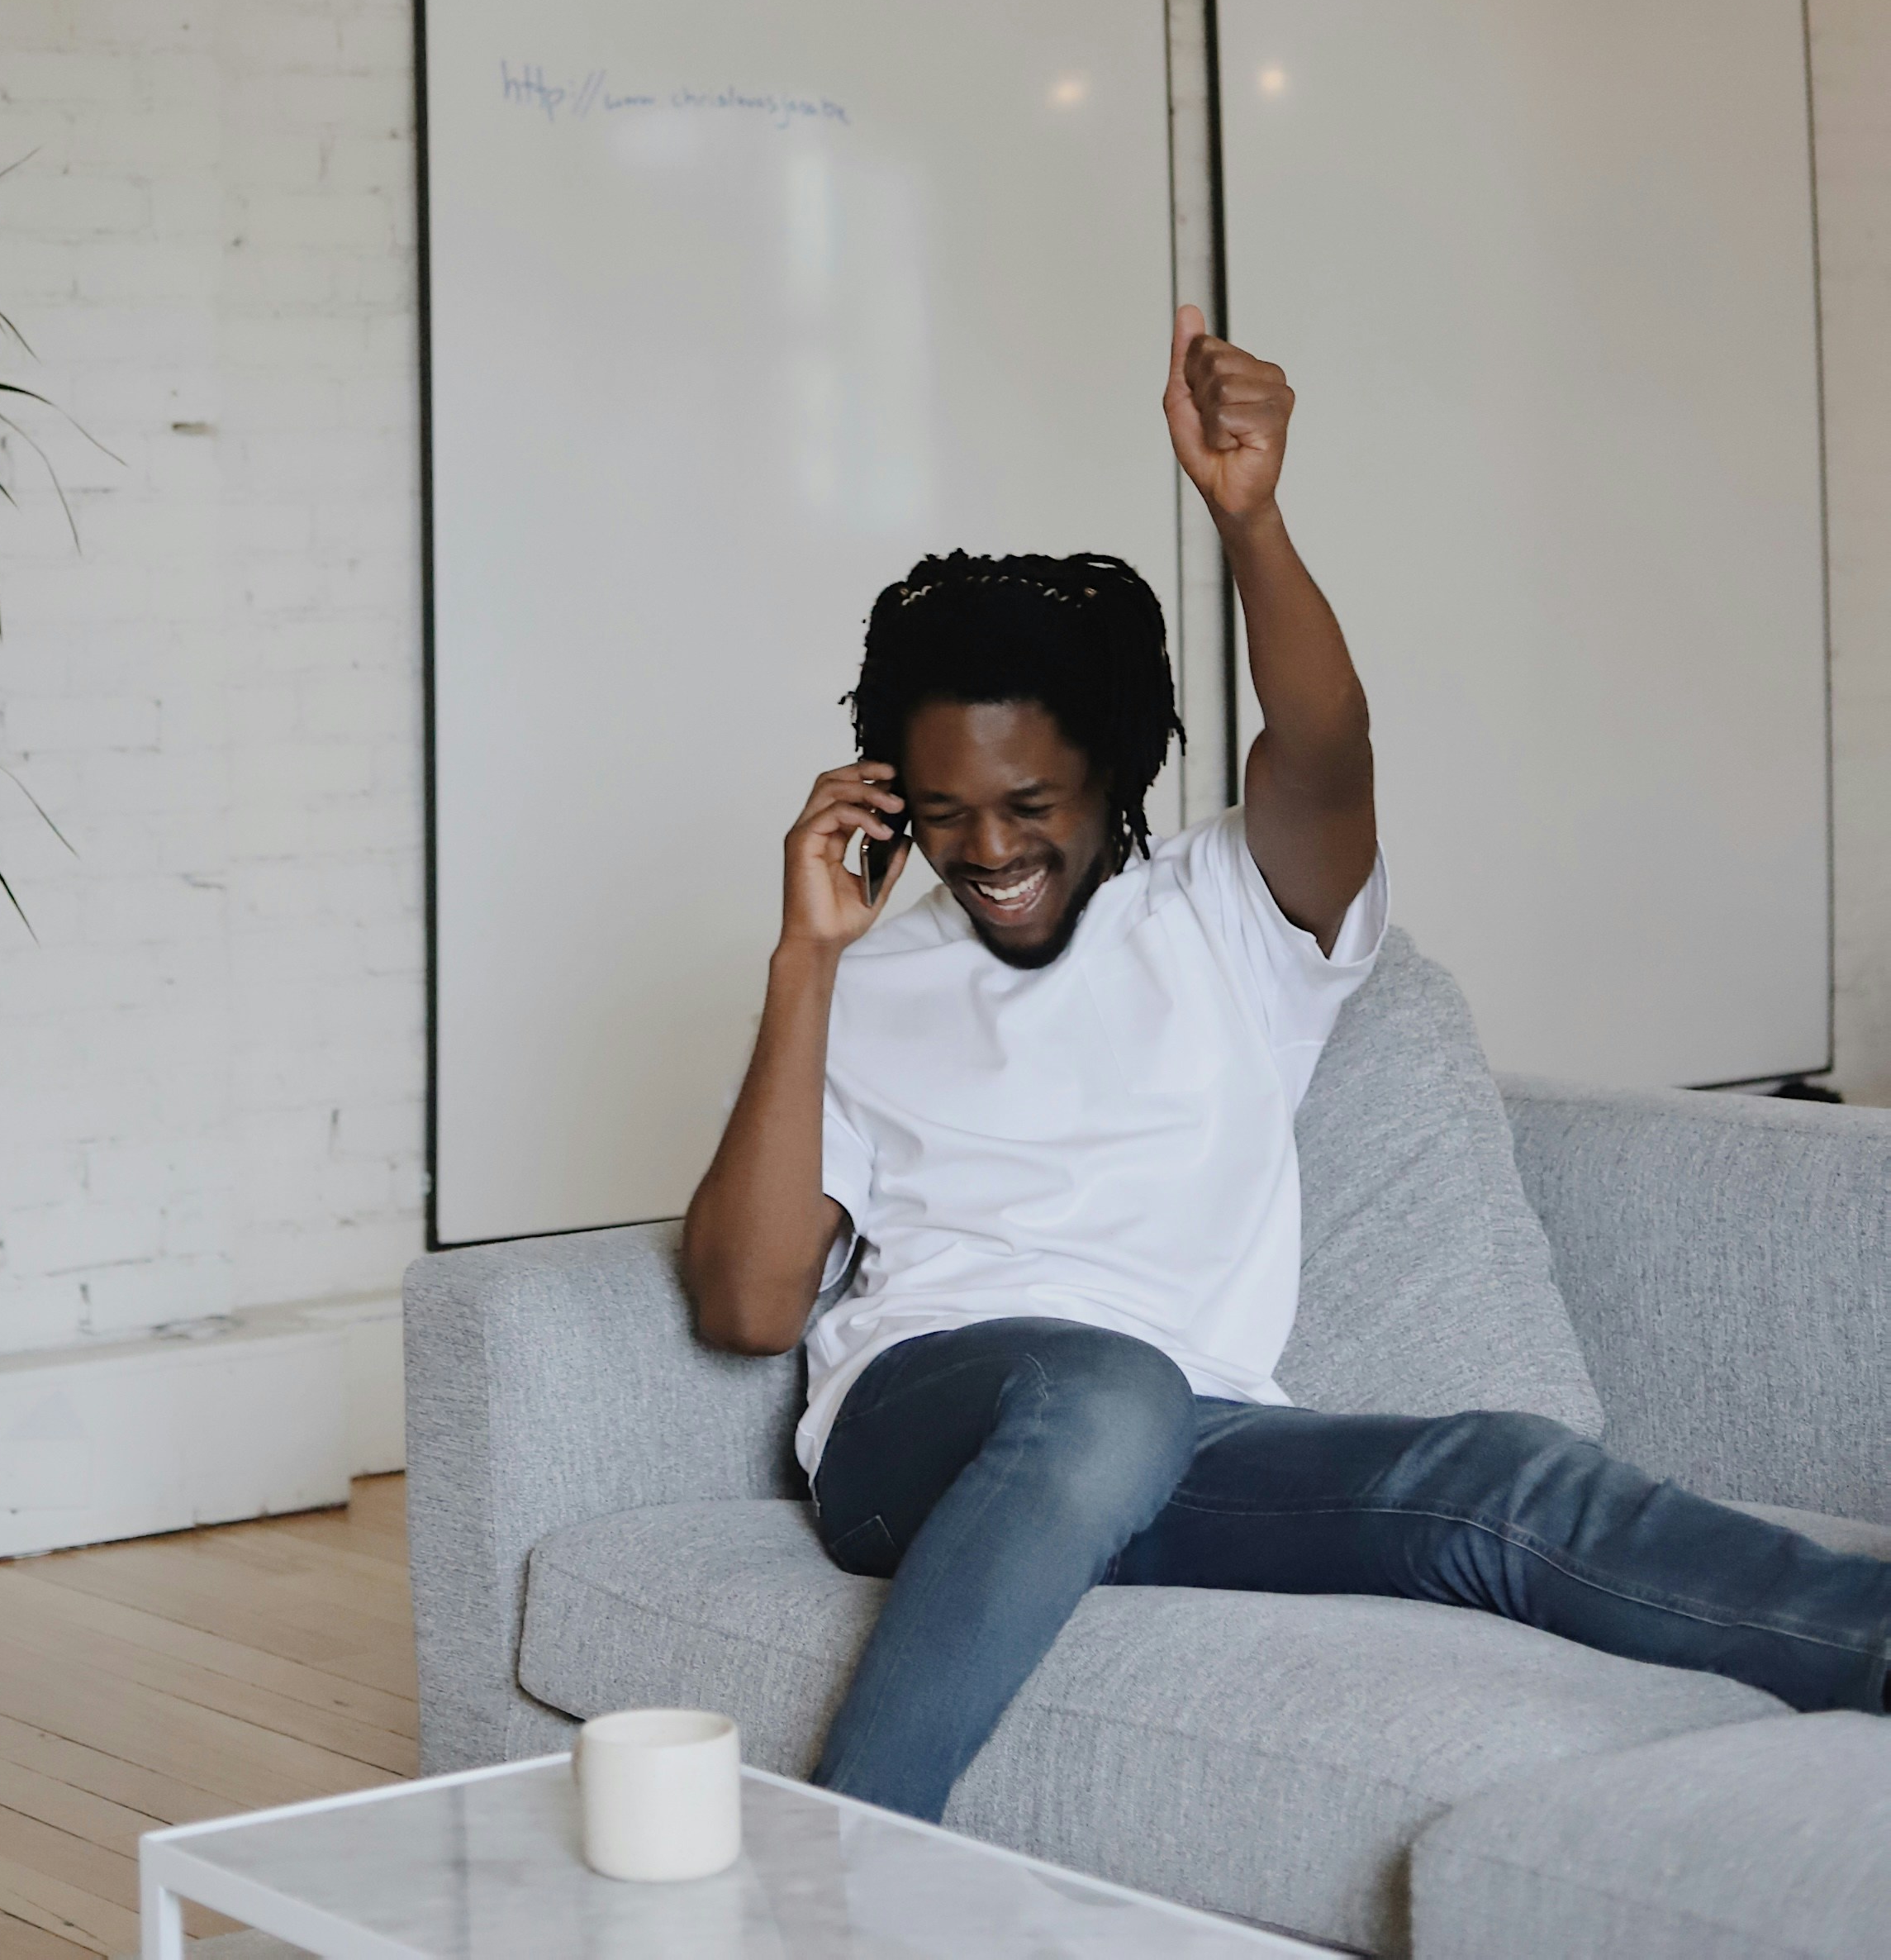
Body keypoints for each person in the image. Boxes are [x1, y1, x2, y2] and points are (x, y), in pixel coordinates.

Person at [680, 306, 1891, 1823]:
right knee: (1103, 1384)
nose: (986, 849)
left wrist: (1247, 515)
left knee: (1503, 1480)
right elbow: (744, 1307)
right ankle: (837, 1861)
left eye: (1031, 801)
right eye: (942, 809)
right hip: (920, 1436)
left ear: (1117, 772)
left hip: (1188, 1435)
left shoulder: (1224, 916)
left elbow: (1326, 752)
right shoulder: (865, 981)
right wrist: (805, 964)